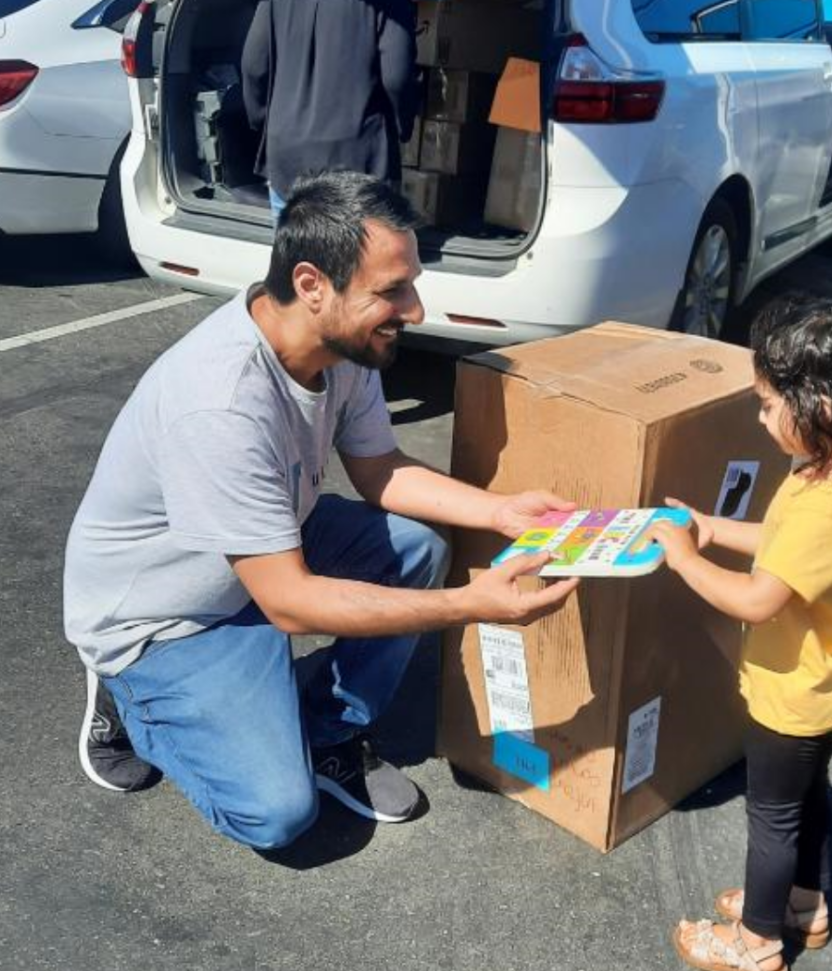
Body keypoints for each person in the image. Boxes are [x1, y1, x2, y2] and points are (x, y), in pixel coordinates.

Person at [64, 170, 579, 850]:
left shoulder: (343, 350)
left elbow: (380, 471)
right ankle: (128, 697)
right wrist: (473, 603)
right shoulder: (219, 403)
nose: (416, 310)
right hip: (164, 618)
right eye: (392, 291)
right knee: (277, 813)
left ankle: (324, 727)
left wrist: (501, 511)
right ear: (312, 285)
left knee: (418, 548)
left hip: (264, 559)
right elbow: (291, 605)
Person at [647, 296, 832, 971]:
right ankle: (805, 905)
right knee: (807, 799)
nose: (759, 416)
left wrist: (685, 559)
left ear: (824, 407)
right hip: (824, 681)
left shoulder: (824, 504)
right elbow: (782, 552)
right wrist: (714, 530)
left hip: (792, 691)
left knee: (771, 819)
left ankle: (757, 941)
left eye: (766, 403)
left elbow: (758, 595)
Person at [241, 0, 419, 218]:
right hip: (359, 162)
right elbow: (397, 78)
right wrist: (404, 125)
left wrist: (261, 121)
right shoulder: (389, 6)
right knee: (359, 251)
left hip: (287, 161)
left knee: (294, 250)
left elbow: (253, 66)